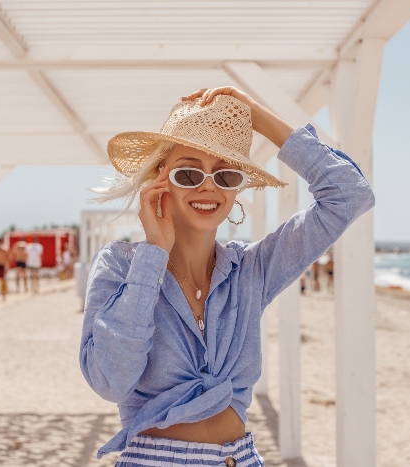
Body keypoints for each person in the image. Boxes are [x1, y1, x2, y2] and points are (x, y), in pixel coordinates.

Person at [79, 87, 375, 465]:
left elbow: (349, 194)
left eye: (226, 174)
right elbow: (109, 380)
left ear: (238, 187)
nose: (208, 186)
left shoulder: (252, 271)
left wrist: (257, 115)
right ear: (160, 177)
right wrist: (153, 254)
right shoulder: (120, 265)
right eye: (188, 172)